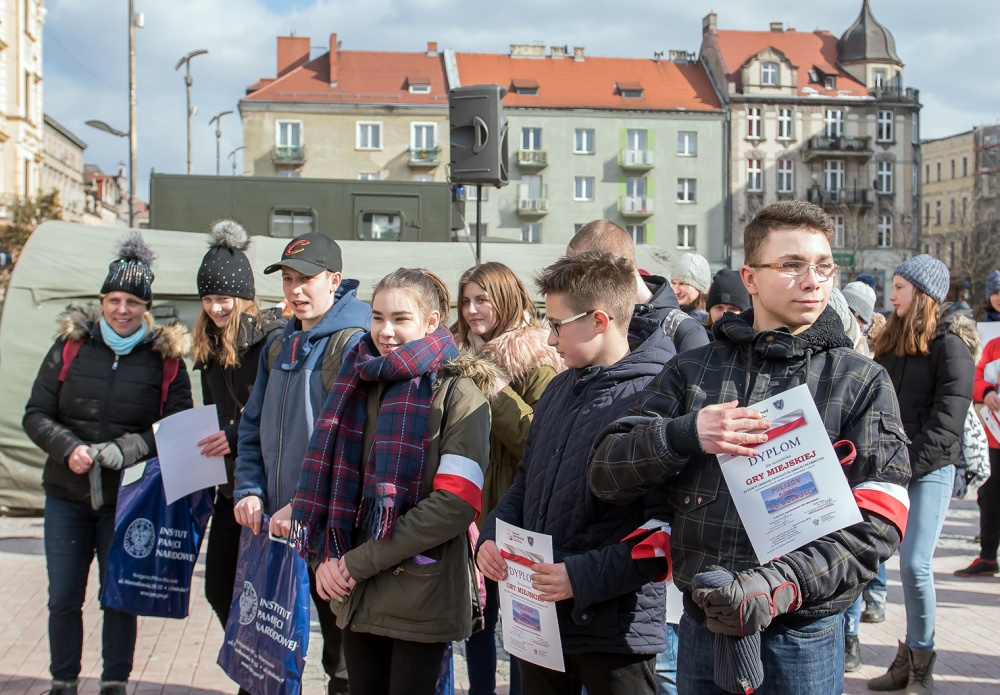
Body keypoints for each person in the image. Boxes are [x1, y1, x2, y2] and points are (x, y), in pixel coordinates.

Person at [590, 201, 910, 694]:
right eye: (792, 265)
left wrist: (782, 584)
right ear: (750, 277)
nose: (813, 280)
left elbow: (883, 519)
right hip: (703, 626)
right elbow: (607, 473)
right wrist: (683, 433)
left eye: (823, 266)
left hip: (802, 633)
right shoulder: (694, 370)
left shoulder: (860, 379)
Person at [477, 251, 674, 695]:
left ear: (600, 320)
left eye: (557, 324)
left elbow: (664, 531)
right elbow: (526, 479)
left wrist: (579, 577)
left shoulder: (659, 394)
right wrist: (493, 535)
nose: (548, 339)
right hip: (540, 619)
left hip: (615, 628)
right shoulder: (561, 387)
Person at [291, 268, 490, 695]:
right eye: (377, 317)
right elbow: (324, 485)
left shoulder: (459, 393)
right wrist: (324, 560)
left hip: (420, 591)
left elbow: (455, 505)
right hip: (354, 587)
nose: (385, 331)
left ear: (432, 322)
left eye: (400, 319)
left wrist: (354, 563)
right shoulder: (355, 380)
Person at [24, 234, 193, 695]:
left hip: (127, 500)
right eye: (114, 299)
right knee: (63, 597)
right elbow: (36, 414)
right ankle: (63, 681)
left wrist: (129, 448)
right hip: (66, 494)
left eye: (133, 302)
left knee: (118, 597)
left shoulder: (166, 360)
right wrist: (67, 447)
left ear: (146, 307)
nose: (122, 310)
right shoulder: (70, 347)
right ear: (101, 301)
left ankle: (115, 682)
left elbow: (180, 427)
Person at [233, 232, 371, 695]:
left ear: (334, 280)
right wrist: (249, 489)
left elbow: (353, 445)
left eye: (306, 278)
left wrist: (308, 507)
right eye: (289, 278)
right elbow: (252, 427)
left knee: (344, 655)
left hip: (331, 528)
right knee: (270, 644)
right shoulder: (278, 346)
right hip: (276, 524)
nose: (295, 289)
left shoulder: (355, 343)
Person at [568, 220, 693, 695]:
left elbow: (680, 458)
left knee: (660, 674)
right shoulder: (579, 334)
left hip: (644, 559)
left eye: (578, 271)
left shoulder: (681, 335)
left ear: (614, 270)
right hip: (583, 553)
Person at [867, 254, 977, 694]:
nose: (891, 294)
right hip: (893, 469)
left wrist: (910, 465)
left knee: (916, 564)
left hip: (930, 470)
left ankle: (922, 663)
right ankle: (906, 654)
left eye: (899, 287)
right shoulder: (891, 338)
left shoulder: (951, 343)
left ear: (923, 294)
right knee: (889, 565)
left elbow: (949, 415)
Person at [453, 261, 563, 695]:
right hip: (467, 511)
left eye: (482, 299)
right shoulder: (458, 359)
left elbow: (537, 440)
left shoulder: (537, 360)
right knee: (477, 622)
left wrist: (493, 386)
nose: (472, 310)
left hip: (517, 518)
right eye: (465, 301)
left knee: (521, 631)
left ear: (506, 298)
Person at [190, 220, 285, 634]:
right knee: (218, 589)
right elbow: (213, 410)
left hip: (266, 486)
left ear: (245, 297)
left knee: (264, 596)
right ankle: (247, 662)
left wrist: (230, 437)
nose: (216, 308)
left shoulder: (270, 339)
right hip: (227, 487)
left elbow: (277, 411)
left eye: (225, 298)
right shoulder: (207, 348)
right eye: (208, 299)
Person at [568, 220, 708, 354]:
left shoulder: (683, 331)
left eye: (582, 272)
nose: (576, 283)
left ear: (617, 267)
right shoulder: (598, 321)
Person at [957, 273, 1000, 576]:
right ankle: (987, 555)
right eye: (995, 292)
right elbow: (974, 374)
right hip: (994, 432)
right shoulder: (990, 337)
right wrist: (985, 390)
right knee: (988, 493)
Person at [670, 253, 711, 324]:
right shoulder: (668, 314)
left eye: (682, 284)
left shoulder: (704, 322)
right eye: (673, 283)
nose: (676, 291)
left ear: (700, 288)